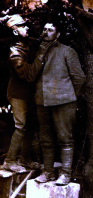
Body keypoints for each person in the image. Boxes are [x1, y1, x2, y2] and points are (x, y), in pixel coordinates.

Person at [33, 20, 85, 186]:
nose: (46, 32)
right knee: (45, 139)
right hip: (43, 102)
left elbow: (79, 78)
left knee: (64, 138)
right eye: (45, 29)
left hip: (63, 102)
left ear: (58, 34)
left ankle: (65, 174)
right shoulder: (39, 52)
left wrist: (68, 95)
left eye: (51, 29)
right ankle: (48, 173)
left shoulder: (67, 52)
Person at [0, 14, 53, 173]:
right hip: (18, 94)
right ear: (15, 32)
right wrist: (42, 54)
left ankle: (24, 159)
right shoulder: (15, 54)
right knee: (21, 125)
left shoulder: (27, 43)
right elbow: (29, 75)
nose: (27, 28)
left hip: (29, 93)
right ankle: (9, 161)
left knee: (30, 125)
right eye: (23, 26)